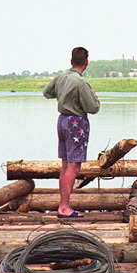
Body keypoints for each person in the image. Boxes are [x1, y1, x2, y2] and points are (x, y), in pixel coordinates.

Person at [43, 47, 101, 218]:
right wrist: (92, 95)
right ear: (86, 63)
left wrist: (63, 96)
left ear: (71, 61)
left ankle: (63, 205)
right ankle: (64, 207)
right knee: (74, 166)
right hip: (76, 123)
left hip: (61, 120)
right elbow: (93, 108)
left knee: (65, 165)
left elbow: (47, 93)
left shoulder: (61, 76)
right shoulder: (81, 83)